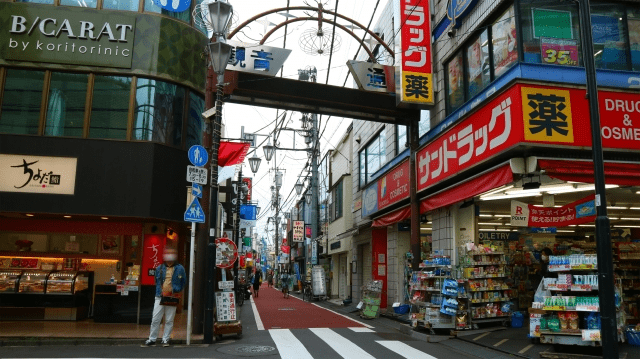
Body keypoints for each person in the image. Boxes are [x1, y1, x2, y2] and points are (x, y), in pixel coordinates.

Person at [144, 248, 185, 347]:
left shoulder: (180, 268)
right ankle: (152, 339)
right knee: (155, 318)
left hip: (172, 296)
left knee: (169, 320)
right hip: (160, 296)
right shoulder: (159, 268)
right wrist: (160, 290)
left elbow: (183, 282)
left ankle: (165, 339)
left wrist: (176, 289)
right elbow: (156, 281)